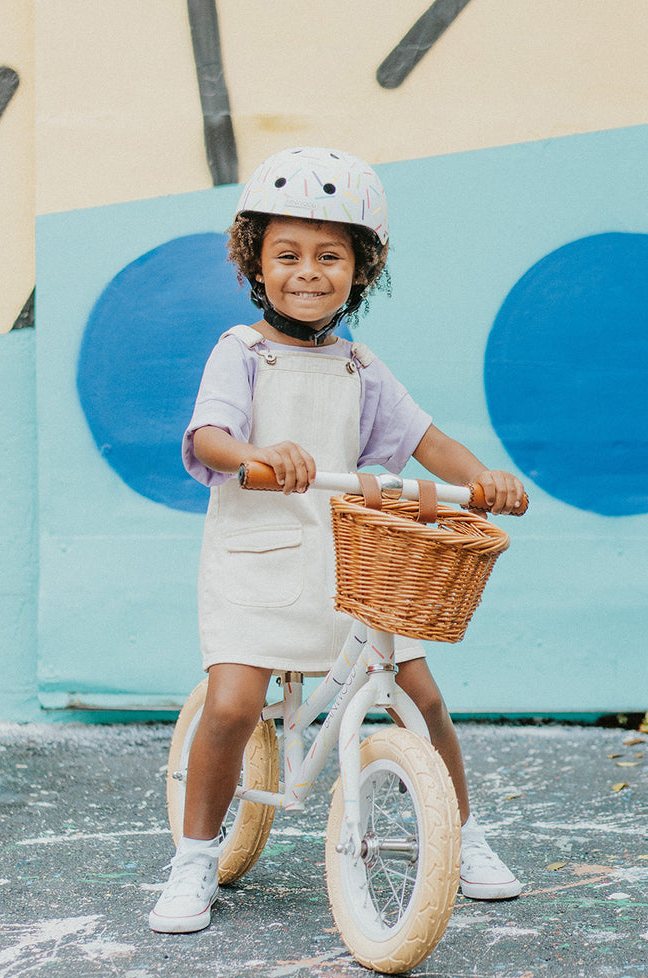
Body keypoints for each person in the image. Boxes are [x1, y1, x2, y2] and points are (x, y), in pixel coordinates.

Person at [150, 146, 526, 934]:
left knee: (423, 699)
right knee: (233, 704)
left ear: (361, 270)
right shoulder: (241, 352)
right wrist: (256, 454)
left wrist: (484, 478)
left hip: (351, 565)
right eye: (287, 254)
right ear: (256, 262)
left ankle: (463, 835)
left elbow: (426, 441)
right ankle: (194, 858)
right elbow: (209, 438)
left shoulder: (361, 367)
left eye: (330, 256)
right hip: (257, 564)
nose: (308, 273)